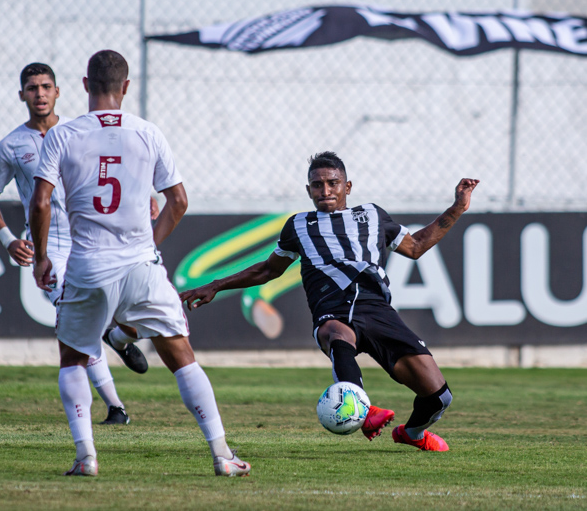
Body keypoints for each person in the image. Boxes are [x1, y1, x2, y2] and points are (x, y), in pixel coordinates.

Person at [29, 50, 251, 477]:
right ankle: (222, 454)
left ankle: (86, 457)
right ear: (125, 87)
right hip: (140, 266)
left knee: (73, 358)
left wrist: (41, 257)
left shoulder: (63, 135)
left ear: (84, 85)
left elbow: (41, 202)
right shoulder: (148, 133)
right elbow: (179, 201)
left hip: (88, 265)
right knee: (182, 357)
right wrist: (148, 243)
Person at [180, 152, 479, 452]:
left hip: (377, 310)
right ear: (308, 190)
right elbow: (268, 269)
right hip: (332, 308)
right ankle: (363, 409)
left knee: (439, 397)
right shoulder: (298, 226)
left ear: (347, 187)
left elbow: (415, 247)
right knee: (337, 333)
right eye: (317, 185)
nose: (325, 191)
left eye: (332, 183)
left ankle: (411, 432)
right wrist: (216, 285)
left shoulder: (373, 216)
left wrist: (457, 207)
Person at [0, 62, 147, 426]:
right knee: (78, 320)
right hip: (50, 246)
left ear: (58, 92)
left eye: (46, 86)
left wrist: (145, 191)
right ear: (22, 94)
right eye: (32, 88)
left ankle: (118, 337)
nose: (39, 93)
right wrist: (9, 240)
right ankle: (116, 407)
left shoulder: (80, 132)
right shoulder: (10, 146)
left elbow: (119, 164)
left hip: (93, 237)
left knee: (130, 314)